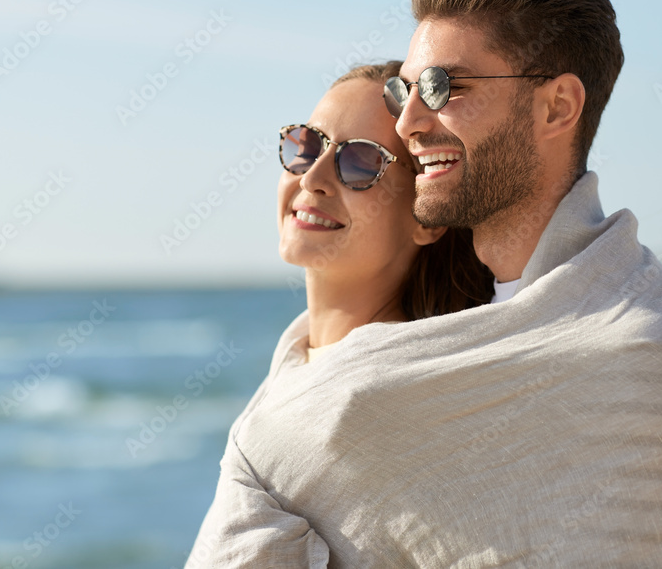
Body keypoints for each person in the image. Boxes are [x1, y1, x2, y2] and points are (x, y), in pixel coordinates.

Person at [191, 0, 662, 568]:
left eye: (442, 89)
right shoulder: (439, 350)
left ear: (557, 107)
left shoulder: (645, 345)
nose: (409, 123)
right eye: (405, 92)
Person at [186, 62, 492, 566]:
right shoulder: (301, 361)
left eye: (360, 163)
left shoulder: (382, 402)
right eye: (307, 145)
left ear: (426, 217)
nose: (314, 176)